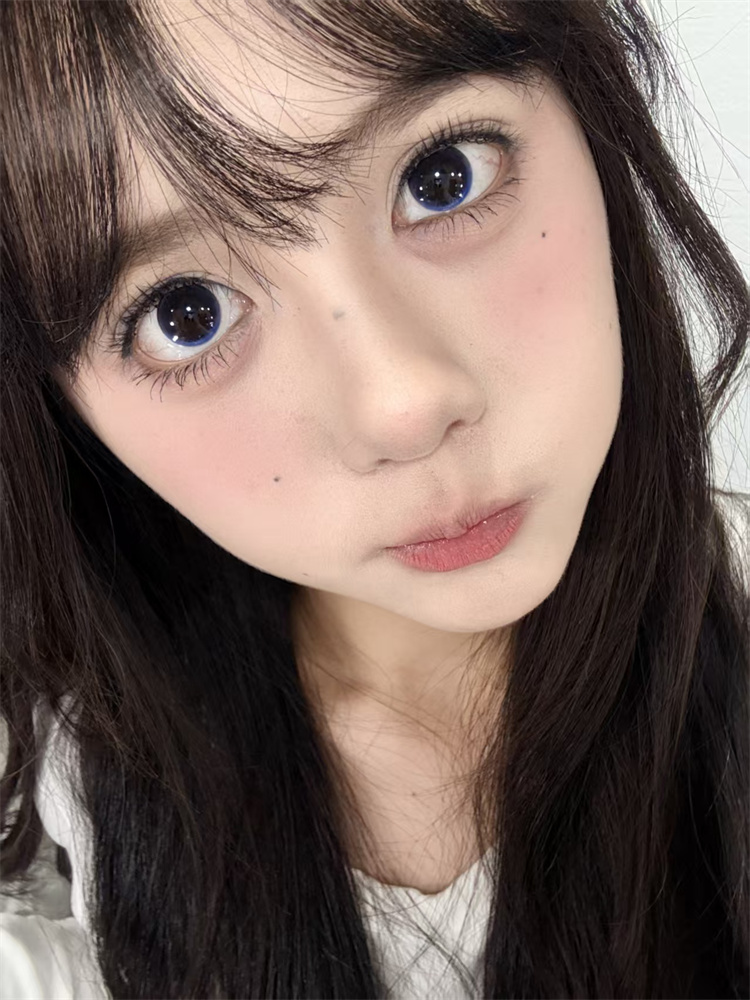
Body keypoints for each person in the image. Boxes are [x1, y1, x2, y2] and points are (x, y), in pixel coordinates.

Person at [1, 0, 748, 997]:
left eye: (442, 175)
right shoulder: (54, 811)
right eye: (186, 314)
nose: (403, 404)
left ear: (589, 105)